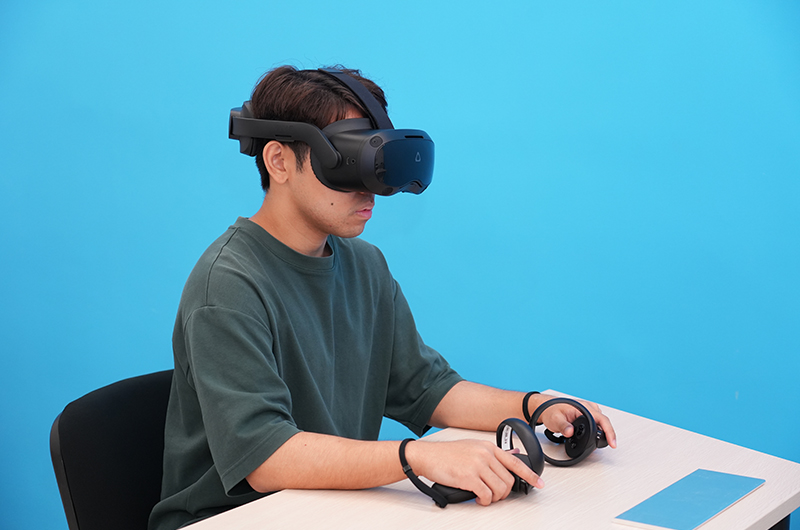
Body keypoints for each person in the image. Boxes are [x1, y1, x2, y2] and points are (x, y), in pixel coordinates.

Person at [148, 65, 617, 530]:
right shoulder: (228, 284)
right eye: (347, 162)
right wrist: (418, 458)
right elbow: (266, 456)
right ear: (279, 161)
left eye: (376, 163)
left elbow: (427, 389)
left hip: (329, 510)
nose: (372, 189)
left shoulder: (364, 265)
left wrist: (534, 407)